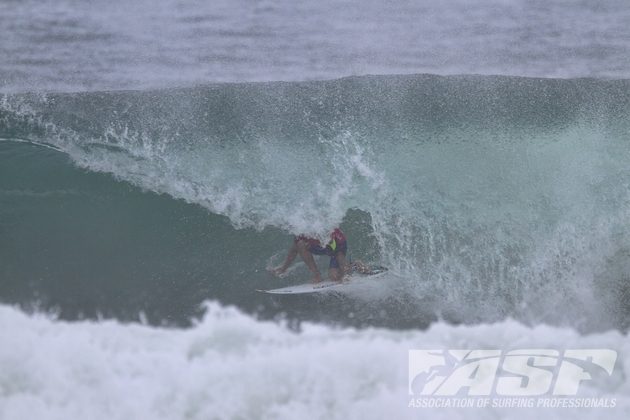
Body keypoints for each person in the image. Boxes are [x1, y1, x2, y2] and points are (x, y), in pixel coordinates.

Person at [270, 228, 350, 283]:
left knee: (334, 277)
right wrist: (283, 268)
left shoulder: (329, 230)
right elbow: (294, 251)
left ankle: (354, 266)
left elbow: (339, 253)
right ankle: (317, 275)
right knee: (300, 244)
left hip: (336, 247)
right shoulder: (301, 232)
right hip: (318, 246)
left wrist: (344, 272)